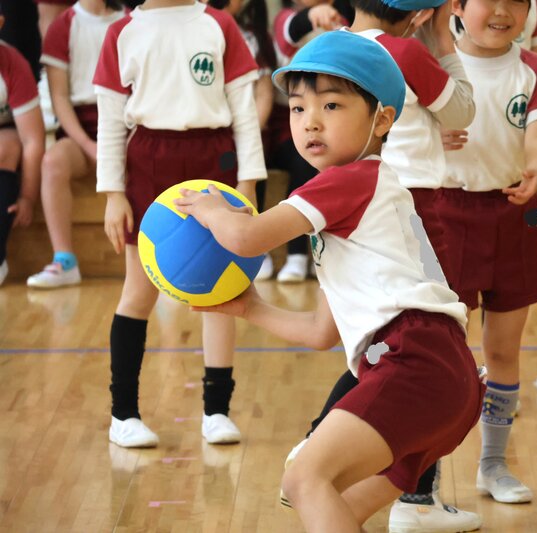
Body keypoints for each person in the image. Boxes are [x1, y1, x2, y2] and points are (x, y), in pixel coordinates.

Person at [175, 30, 484, 533]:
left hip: (413, 360)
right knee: (338, 506)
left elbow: (246, 238)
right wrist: (251, 308)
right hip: (449, 377)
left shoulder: (349, 180)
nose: (310, 121)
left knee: (304, 480)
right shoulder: (368, 201)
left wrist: (211, 209)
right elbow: (323, 332)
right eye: (298, 108)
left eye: (332, 105)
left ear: (382, 119)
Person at [92, 0, 266, 447]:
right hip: (149, 160)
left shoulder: (218, 24)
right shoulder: (121, 33)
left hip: (214, 159)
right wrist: (113, 193)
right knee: (138, 292)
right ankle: (123, 414)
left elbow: (245, 113)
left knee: (221, 291)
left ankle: (217, 411)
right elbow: (110, 121)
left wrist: (248, 184)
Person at [435, 0, 537, 505]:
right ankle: (422, 475)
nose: (503, 11)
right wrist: (431, 136)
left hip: (514, 215)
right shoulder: (435, 65)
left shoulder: (534, 69)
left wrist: (536, 168)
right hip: (445, 214)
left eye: (517, 2)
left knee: (505, 350)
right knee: (442, 352)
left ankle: (493, 465)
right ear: (458, 6)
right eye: (490, 0)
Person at [27, 0, 127, 289]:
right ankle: (65, 260)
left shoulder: (130, 21)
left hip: (125, 123)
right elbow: (59, 96)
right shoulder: (62, 26)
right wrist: (88, 144)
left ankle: (159, 261)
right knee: (52, 162)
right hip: (81, 127)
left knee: (153, 157)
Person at [269, 0, 352, 282]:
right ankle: (296, 255)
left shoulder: (344, 20)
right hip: (289, 128)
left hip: (335, 121)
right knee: (304, 158)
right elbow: (291, 29)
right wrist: (312, 15)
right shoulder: (284, 18)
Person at [204, 0, 278, 280]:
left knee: (251, 161)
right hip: (209, 133)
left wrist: (247, 134)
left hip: (247, 130)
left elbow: (263, 93)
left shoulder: (252, 37)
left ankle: (256, 246)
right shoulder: (194, 30)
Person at [0, 6, 46, 287]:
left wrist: (28, 196)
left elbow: (33, 140)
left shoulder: (12, 63)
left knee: (8, 146)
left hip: (7, 135)